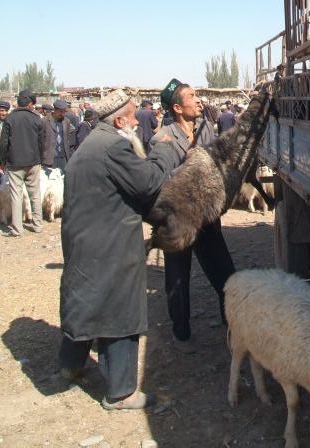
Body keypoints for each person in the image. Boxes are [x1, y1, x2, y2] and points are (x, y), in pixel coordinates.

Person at [58, 88, 178, 410]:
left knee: (86, 301)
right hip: (110, 243)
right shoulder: (114, 146)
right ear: (121, 121)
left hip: (85, 240)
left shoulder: (92, 143)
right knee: (119, 310)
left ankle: (70, 365)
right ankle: (122, 393)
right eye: (133, 116)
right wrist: (163, 150)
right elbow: (149, 182)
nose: (137, 122)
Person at [150, 77, 236, 352]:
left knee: (225, 274)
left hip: (206, 219)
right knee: (177, 279)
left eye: (197, 95)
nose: (198, 100)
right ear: (177, 108)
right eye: (192, 96)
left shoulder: (206, 128)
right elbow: (160, 180)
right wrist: (192, 166)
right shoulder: (162, 139)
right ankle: (181, 333)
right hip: (177, 221)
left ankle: (232, 325)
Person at [0, 90, 44, 237]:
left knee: (16, 195)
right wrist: (40, 159)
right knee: (35, 194)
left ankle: (17, 229)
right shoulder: (37, 119)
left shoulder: (10, 119)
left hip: (15, 163)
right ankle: (38, 225)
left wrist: (1, 161)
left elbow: (4, 143)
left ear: (18, 103)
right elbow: (41, 142)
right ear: (30, 104)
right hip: (33, 162)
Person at [42, 99, 76, 172]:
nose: (62, 114)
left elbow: (68, 136)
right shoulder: (44, 121)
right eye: (60, 111)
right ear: (54, 110)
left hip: (63, 158)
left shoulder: (66, 121)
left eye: (64, 112)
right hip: (49, 159)